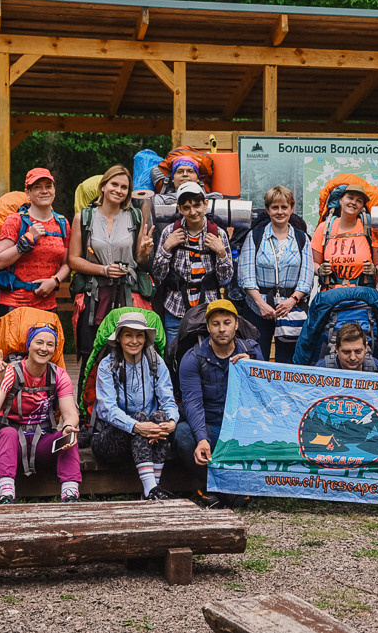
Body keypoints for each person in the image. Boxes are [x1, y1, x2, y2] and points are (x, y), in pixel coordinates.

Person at [0, 324, 81, 503]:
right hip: (6, 445)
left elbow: (70, 414)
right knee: (8, 433)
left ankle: (70, 492)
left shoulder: (59, 375)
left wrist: (67, 428)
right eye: (39, 342)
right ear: (29, 345)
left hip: (40, 442)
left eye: (50, 344)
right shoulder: (10, 372)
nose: (44, 348)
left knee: (69, 437)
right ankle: (6, 492)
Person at [174, 299, 261, 503]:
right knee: (183, 435)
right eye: (216, 324)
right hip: (210, 424)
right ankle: (216, 486)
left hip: (241, 425)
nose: (222, 329)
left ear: (236, 324)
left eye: (227, 322)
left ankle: (225, 489)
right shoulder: (193, 358)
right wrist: (202, 438)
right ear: (208, 327)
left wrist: (254, 369)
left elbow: (263, 396)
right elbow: (192, 403)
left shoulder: (252, 352)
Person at [68, 164, 155, 365]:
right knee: (93, 354)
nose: (118, 190)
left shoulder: (135, 217)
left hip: (126, 295)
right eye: (114, 184)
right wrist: (103, 270)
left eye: (124, 187)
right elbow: (73, 260)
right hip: (95, 296)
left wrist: (144, 253)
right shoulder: (83, 218)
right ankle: (89, 395)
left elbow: (140, 261)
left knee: (127, 354)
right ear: (103, 186)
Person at [92, 312, 179, 500]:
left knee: (161, 418)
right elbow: (108, 409)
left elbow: (168, 400)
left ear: (145, 338)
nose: (134, 341)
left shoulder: (155, 361)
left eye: (139, 335)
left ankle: (152, 489)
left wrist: (171, 422)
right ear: (119, 338)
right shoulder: (107, 365)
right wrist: (137, 426)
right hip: (111, 440)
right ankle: (151, 489)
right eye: (128, 335)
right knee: (139, 418)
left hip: (147, 439)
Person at [151, 182, 235, 351]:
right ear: (180, 209)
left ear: (205, 204)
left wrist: (221, 253)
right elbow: (158, 276)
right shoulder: (170, 232)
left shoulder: (217, 233)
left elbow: (225, 279)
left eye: (197, 205)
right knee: (174, 355)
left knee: (207, 355)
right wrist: (167, 248)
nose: (193, 212)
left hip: (209, 309)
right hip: (175, 308)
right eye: (186, 207)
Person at [237, 185, 313, 362]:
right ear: (268, 209)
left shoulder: (302, 239)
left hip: (290, 309)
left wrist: (292, 300)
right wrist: (261, 304)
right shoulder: (255, 236)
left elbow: (306, 277)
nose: (280, 212)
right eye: (275, 207)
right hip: (257, 309)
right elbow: (246, 276)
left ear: (292, 208)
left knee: (287, 362)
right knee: (256, 357)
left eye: (284, 207)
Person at [0, 167, 70, 316]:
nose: (44, 191)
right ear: (27, 192)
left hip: (47, 305)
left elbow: (66, 264)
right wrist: (28, 239)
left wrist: (55, 281)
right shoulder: (15, 221)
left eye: (48, 186)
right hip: (14, 305)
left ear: (54, 190)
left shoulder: (62, 223)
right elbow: (0, 261)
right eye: (37, 187)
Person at [312, 185, 378, 291]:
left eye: (359, 200)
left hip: (362, 297)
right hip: (331, 296)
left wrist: (375, 270)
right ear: (340, 200)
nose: (354, 202)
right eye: (350, 197)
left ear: (362, 206)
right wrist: (319, 270)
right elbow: (313, 263)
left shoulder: (370, 228)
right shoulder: (325, 227)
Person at [314, 323, 378, 373]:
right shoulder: (322, 369)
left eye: (358, 351)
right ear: (336, 348)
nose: (353, 358)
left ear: (366, 347)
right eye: (346, 352)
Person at [151, 154, 223, 205]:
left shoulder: (214, 198)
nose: (185, 174)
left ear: (198, 179)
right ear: (172, 179)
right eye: (180, 171)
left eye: (190, 171)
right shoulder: (159, 200)